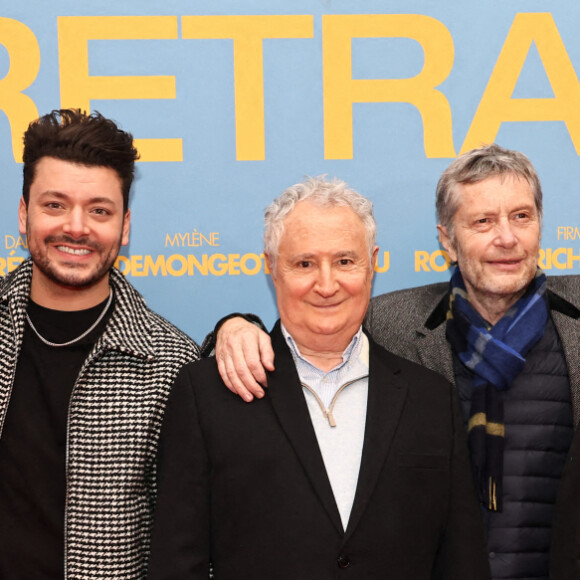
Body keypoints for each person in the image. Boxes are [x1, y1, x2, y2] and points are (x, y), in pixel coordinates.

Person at [213, 145, 580, 580]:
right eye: (483, 221)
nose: (507, 238)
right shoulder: (390, 321)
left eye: (521, 216)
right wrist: (234, 326)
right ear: (447, 240)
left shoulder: (573, 318)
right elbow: (307, 328)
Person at [148, 176, 490, 579]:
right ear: (271, 268)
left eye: (345, 261)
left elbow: (461, 562)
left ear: (373, 263)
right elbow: (176, 561)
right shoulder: (206, 395)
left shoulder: (432, 399)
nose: (326, 285)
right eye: (304, 263)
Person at [0, 109, 200, 579]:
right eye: (54, 205)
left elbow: (190, 543)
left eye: (99, 210)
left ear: (125, 227)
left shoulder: (171, 364)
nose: (76, 227)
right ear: (24, 213)